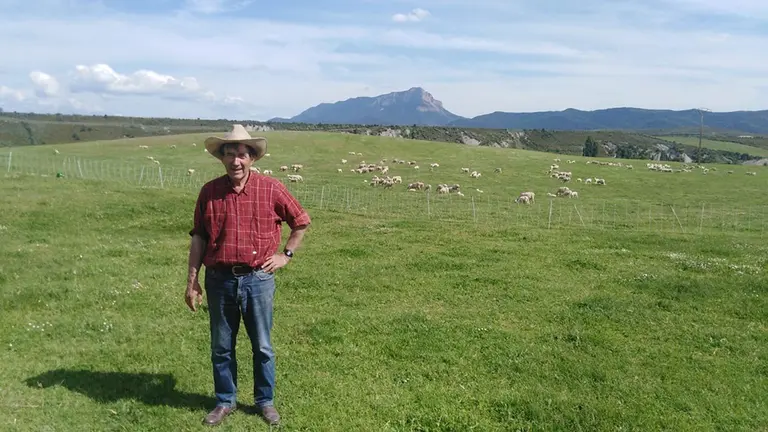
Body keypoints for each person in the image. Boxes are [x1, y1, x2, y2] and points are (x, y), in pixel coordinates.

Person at [185, 124, 311, 427]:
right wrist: (192, 282)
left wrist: (286, 255)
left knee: (263, 346)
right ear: (222, 158)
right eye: (230, 154)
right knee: (221, 346)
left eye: (242, 154)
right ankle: (225, 401)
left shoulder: (272, 188)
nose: (236, 161)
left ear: (252, 157)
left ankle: (265, 401)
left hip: (258, 280)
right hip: (219, 279)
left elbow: (301, 221)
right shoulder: (210, 192)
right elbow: (199, 238)